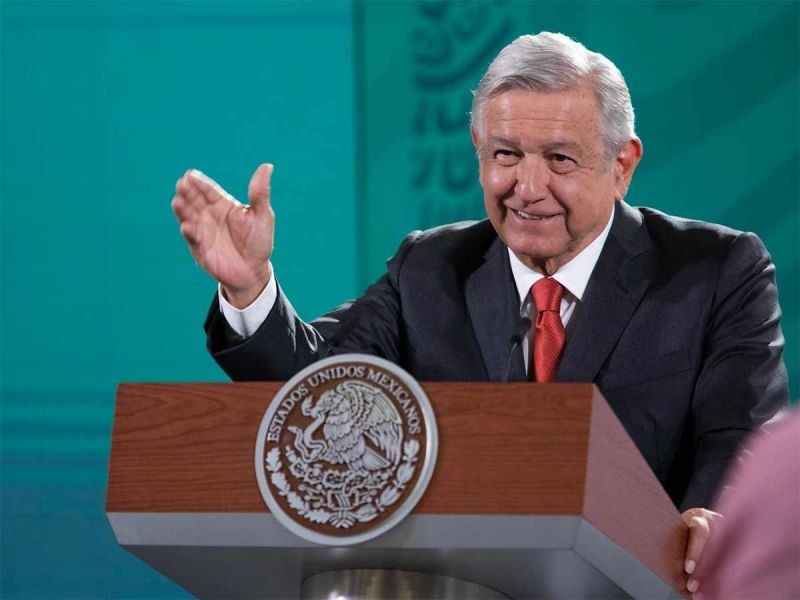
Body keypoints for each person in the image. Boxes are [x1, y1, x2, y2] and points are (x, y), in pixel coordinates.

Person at [171, 33, 788, 594]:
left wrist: (715, 520)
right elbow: (324, 390)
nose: (527, 187)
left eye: (560, 159)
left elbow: (740, 438)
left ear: (621, 164)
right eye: (506, 155)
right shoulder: (431, 266)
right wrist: (250, 288)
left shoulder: (714, 270)